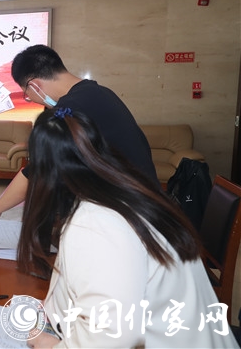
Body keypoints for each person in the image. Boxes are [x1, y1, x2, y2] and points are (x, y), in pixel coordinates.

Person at [19, 107, 237, 348]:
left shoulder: (95, 224)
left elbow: (115, 334)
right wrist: (53, 307)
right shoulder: (125, 191)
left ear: (45, 174)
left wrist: (47, 344)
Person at [0, 44, 157, 222]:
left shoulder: (69, 110)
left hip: (128, 211)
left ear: (34, 85)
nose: (31, 99)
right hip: (148, 200)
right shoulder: (100, 92)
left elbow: (38, 170)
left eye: (26, 94)